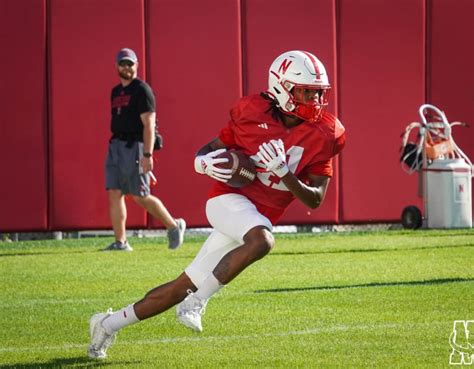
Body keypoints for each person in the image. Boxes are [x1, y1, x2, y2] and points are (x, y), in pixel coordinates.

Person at [88, 50, 345, 359]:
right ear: (281, 87)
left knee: (181, 285)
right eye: (306, 91)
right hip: (227, 202)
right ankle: (196, 302)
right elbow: (209, 149)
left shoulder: (327, 132)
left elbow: (314, 200)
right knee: (263, 240)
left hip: (255, 217)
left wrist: (285, 174)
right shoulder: (251, 112)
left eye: (318, 93)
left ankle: (106, 324)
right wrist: (202, 163)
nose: (315, 100)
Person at [104, 48, 185, 251]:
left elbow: (149, 125)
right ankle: (120, 242)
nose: (126, 67)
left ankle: (174, 225)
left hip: (136, 147)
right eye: (123, 63)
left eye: (130, 64)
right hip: (116, 146)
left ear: (136, 65)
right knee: (114, 192)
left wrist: (147, 155)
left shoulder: (142, 90)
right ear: (116, 66)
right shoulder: (116, 92)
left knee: (140, 195)